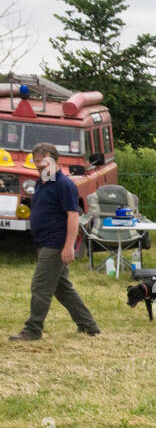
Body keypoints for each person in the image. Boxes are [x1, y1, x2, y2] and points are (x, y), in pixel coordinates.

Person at [9, 142, 101, 341]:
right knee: (62, 288)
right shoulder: (41, 183)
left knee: (40, 287)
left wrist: (69, 246)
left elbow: (73, 216)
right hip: (43, 242)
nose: (40, 167)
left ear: (55, 161)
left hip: (55, 243)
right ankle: (88, 326)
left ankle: (33, 330)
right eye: (37, 164)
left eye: (44, 163)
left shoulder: (64, 185)